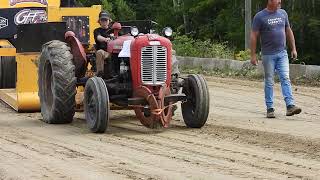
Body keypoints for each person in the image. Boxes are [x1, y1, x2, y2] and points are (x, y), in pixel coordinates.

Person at [250, 0, 302, 118]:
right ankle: (270, 108)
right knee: (269, 81)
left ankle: (290, 106)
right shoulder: (259, 17)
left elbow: (288, 31)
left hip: (282, 53)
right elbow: (253, 35)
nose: (279, 1)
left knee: (285, 77)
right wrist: (253, 55)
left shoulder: (283, 13)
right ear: (269, 1)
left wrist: (293, 48)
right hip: (268, 55)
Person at [94, 11, 112, 77]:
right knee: (100, 52)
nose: (104, 22)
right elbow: (98, 37)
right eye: (102, 20)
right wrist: (105, 39)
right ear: (99, 21)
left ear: (109, 21)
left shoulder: (114, 30)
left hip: (115, 52)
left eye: (106, 20)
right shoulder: (97, 31)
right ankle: (100, 73)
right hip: (105, 52)